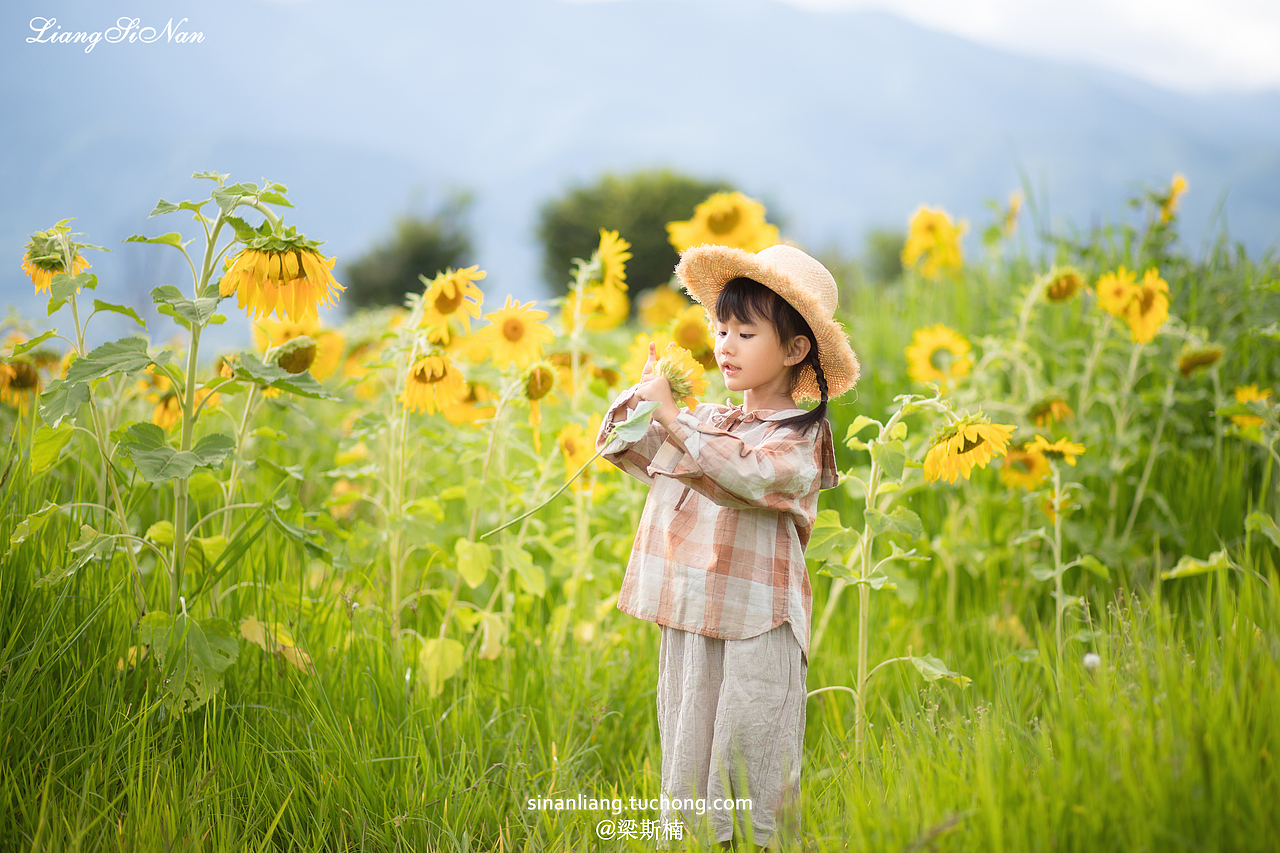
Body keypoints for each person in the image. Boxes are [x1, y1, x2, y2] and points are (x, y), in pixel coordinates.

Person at [596, 244, 860, 849]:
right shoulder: (709, 420)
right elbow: (621, 450)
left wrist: (676, 420)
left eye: (746, 331)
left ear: (795, 350)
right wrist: (643, 405)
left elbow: (750, 476)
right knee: (688, 748)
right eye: (720, 329)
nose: (725, 345)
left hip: (756, 621)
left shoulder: (799, 435)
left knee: (751, 756)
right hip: (691, 613)